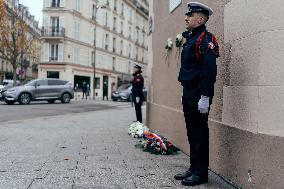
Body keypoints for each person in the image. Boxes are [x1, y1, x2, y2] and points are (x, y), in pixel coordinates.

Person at [174, 2, 220, 187]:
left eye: (190, 15)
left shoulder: (206, 39)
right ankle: (194, 168)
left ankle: (201, 173)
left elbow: (209, 70)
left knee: (200, 133)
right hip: (188, 91)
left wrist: (205, 97)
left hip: (198, 92)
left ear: (200, 19)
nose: (186, 18)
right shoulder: (192, 38)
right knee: (192, 132)